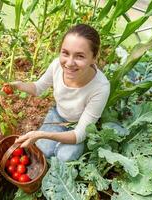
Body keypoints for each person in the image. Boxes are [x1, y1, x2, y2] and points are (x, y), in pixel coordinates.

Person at [11, 24, 110, 162]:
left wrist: (41, 134)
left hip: (77, 125)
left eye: (79, 56)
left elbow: (79, 134)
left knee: (65, 157)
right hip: (58, 116)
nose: (69, 63)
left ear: (94, 57)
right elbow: (38, 88)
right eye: (65, 53)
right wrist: (20, 86)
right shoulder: (57, 66)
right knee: (42, 151)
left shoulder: (100, 87)